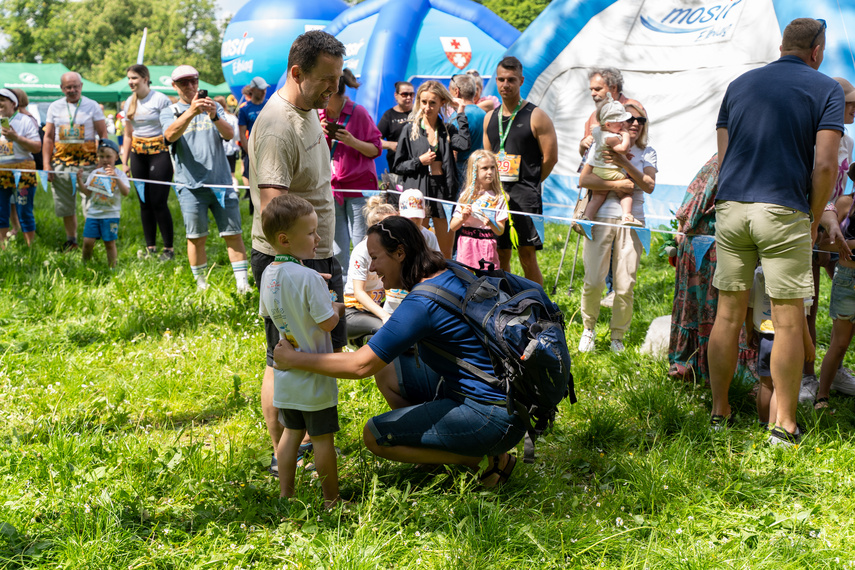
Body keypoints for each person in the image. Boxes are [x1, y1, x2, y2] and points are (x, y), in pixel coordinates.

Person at [273, 215, 524, 486]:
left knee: (374, 435)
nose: (371, 267)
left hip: (492, 416)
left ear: (400, 253)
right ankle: (441, 446)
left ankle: (477, 458)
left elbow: (360, 365)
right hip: (510, 399)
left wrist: (295, 359)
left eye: (376, 257)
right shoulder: (448, 270)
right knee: (388, 370)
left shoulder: (420, 304)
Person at [709, 18, 844, 446]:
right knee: (787, 321)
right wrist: (814, 213)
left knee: (728, 314)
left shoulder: (740, 84)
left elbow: (723, 156)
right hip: (784, 208)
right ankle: (782, 424)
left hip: (731, 207)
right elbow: (825, 164)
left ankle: (720, 413)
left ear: (782, 45)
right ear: (817, 51)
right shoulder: (827, 89)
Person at [246, 30, 347, 477]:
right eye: (327, 79)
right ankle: (284, 451)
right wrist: (301, 271)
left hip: (316, 253)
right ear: (296, 73)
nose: (334, 88)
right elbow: (274, 213)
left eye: (339, 78)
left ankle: (307, 440)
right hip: (289, 260)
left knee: (315, 353)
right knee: (283, 359)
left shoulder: (307, 109)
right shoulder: (276, 127)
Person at [258, 194, 343, 508]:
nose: (318, 238)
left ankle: (286, 496)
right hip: (314, 371)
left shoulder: (268, 274)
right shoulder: (309, 278)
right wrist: (335, 305)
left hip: (286, 371)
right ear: (285, 239)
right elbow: (327, 324)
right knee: (322, 439)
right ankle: (331, 500)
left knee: (290, 434)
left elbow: (269, 312)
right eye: (310, 233)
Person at [160, 65, 249, 292]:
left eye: (193, 81)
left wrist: (214, 115)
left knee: (233, 234)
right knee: (196, 236)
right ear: (175, 86)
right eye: (183, 83)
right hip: (189, 185)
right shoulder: (169, 111)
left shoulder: (215, 106)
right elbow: (169, 136)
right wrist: (191, 111)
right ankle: (201, 285)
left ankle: (242, 285)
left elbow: (229, 135)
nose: (190, 86)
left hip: (220, 182)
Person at [577, 102, 656, 353]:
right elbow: (584, 179)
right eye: (629, 118)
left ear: (644, 125)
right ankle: (588, 329)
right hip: (599, 219)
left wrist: (624, 163)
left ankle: (617, 336)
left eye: (639, 120)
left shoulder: (648, 152)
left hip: (632, 220)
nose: (633, 123)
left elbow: (649, 185)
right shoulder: (601, 143)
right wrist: (618, 184)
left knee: (626, 283)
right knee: (593, 280)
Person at [484, 57, 558, 286]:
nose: (505, 85)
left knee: (527, 256)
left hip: (525, 195)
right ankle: (505, 300)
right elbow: (487, 160)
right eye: (501, 79)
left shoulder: (536, 115)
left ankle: (539, 305)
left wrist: (531, 183)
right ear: (496, 81)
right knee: (500, 253)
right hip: (497, 196)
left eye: (511, 80)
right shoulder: (490, 117)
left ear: (521, 81)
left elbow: (551, 158)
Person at [804, 76, 855, 393]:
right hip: (810, 227)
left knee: (845, 310)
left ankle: (834, 370)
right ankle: (806, 374)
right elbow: (810, 184)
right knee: (806, 305)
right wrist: (818, 225)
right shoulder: (811, 136)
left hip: (835, 228)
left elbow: (840, 189)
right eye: (851, 103)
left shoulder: (846, 139)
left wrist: (838, 219)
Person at [394, 80, 470, 258]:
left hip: (443, 190)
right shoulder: (409, 129)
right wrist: (419, 161)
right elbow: (398, 166)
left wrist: (460, 112)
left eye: (433, 103)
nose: (427, 107)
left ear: (442, 103)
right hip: (418, 191)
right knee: (416, 247)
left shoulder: (447, 129)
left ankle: (444, 282)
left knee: (445, 250)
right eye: (423, 102)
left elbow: (464, 144)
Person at [319, 68, 382, 271]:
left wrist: (352, 141)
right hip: (332, 186)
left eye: (326, 96)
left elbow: (375, 149)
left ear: (336, 93)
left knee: (361, 241)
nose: (323, 101)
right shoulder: (318, 115)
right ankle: (344, 287)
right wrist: (318, 135)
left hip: (358, 187)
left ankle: (365, 284)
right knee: (337, 244)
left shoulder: (358, 112)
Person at [43, 72, 108, 251]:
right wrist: (47, 165)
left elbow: (103, 134)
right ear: (62, 88)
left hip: (88, 164)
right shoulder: (54, 107)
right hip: (61, 164)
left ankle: (91, 238)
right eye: (68, 87)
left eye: (75, 86)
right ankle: (71, 240)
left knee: (91, 202)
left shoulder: (92, 105)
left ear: (81, 86)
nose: (72, 90)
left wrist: (104, 161)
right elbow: (48, 137)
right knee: (65, 205)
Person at [746, 265, 815, 424]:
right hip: (786, 338)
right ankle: (775, 427)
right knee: (781, 386)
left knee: (765, 383)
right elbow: (801, 314)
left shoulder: (758, 272)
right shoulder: (796, 271)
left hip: (764, 335)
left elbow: (750, 306)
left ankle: (763, 422)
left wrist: (749, 331)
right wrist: (808, 342)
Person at [121, 64, 175, 261]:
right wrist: (124, 162)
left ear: (145, 78)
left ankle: (168, 249)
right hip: (138, 154)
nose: (130, 82)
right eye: (129, 78)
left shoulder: (160, 99)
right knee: (144, 203)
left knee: (159, 201)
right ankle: (150, 248)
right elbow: (127, 134)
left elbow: (171, 130)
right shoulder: (129, 102)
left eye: (134, 78)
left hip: (159, 152)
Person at [814, 192, 855, 408]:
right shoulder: (846, 202)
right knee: (839, 344)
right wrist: (851, 244)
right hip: (848, 279)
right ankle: (822, 396)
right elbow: (826, 244)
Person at [576, 93, 641, 229]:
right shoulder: (612, 137)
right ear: (608, 124)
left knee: (598, 197)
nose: (623, 124)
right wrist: (626, 135)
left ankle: (587, 217)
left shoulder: (598, 132)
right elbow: (622, 149)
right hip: (611, 171)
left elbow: (609, 151)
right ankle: (627, 215)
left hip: (598, 170)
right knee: (626, 192)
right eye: (620, 122)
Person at [343, 196, 397, 342]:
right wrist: (385, 315)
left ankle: (363, 340)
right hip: (352, 312)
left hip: (375, 310)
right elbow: (359, 292)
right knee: (389, 329)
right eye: (391, 226)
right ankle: (358, 340)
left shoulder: (393, 249)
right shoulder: (362, 251)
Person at [448, 149, 507, 269]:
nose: (490, 172)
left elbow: (500, 231)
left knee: (487, 280)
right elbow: (453, 226)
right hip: (466, 243)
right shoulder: (466, 195)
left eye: (492, 167)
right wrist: (462, 218)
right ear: (474, 170)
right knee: (466, 278)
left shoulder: (498, 197)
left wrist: (491, 223)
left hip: (487, 243)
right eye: (484, 168)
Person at [76, 140, 130, 267]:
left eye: (108, 156)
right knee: (87, 242)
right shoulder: (95, 173)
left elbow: (125, 192)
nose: (105, 160)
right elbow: (87, 192)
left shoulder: (120, 174)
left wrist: (116, 178)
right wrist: (79, 181)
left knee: (109, 243)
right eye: (102, 157)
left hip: (111, 215)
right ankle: (85, 265)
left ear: (116, 157)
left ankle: (112, 268)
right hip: (93, 214)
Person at [0, 88, 41, 247]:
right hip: (2, 173)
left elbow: (37, 147)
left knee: (24, 211)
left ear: (13, 103)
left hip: (24, 172)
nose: (0, 104)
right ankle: (2, 248)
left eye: (3, 100)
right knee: (1, 211)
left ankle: (31, 247)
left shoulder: (25, 120)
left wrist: (16, 138)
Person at [578, 68, 642, 157]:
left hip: (626, 167)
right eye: (591, 90)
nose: (592, 93)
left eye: (597, 89)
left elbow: (636, 141)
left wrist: (602, 130)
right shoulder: (595, 115)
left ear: (613, 88)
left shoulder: (633, 108)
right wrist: (583, 145)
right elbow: (586, 155)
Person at [449, 74, 486, 192]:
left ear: (456, 91)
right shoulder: (484, 114)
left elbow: (454, 150)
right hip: (481, 169)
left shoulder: (457, 117)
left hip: (462, 172)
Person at [238, 77, 269, 199]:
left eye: (265, 89)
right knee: (254, 185)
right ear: (252, 90)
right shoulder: (245, 109)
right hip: (253, 151)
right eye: (260, 89)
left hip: (269, 150)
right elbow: (242, 133)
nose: (263, 92)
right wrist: (249, 152)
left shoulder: (269, 105)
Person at [377, 81, 414, 175]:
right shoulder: (389, 115)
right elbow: (375, 140)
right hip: (397, 166)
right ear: (396, 95)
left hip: (418, 163)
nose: (409, 97)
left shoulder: (420, 113)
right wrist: (390, 145)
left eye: (411, 94)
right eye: (405, 94)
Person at [397, 188, 441, 253]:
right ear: (399, 214)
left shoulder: (429, 236)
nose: (414, 221)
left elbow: (436, 258)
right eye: (409, 217)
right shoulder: (395, 234)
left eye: (417, 217)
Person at [215, 95, 241, 188]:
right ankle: (235, 190)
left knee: (218, 174)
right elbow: (237, 136)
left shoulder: (213, 118)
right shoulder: (232, 117)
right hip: (231, 149)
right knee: (232, 174)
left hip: (218, 151)